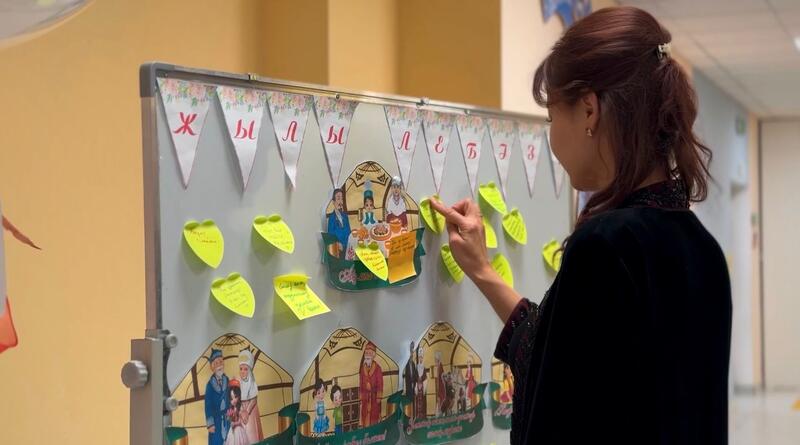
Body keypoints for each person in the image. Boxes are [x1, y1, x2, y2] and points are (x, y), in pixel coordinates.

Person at [428, 6, 731, 445]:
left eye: (552, 118)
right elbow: (558, 355)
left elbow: (559, 412)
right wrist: (483, 270)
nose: (552, 139)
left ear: (589, 110)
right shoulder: (701, 247)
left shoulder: (606, 246)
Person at [237, 349, 263, 444]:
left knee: (252, 435)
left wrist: (247, 412)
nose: (242, 372)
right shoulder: (237, 382)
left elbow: (254, 399)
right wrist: (241, 411)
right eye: (241, 369)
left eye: (245, 369)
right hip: (240, 411)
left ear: (249, 370)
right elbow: (236, 399)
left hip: (251, 411)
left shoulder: (252, 383)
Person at [204, 349, 230, 445]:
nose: (219, 365)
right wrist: (210, 424)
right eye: (216, 363)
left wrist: (232, 413)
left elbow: (231, 398)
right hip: (216, 421)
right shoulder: (210, 385)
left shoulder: (227, 380)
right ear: (212, 367)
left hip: (227, 419)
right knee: (216, 441)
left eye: (221, 362)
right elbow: (208, 405)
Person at [359, 341, 384, 427]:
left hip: (374, 399)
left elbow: (380, 384)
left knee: (374, 417)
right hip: (365, 399)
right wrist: (361, 397)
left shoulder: (378, 368)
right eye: (366, 353)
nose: (368, 355)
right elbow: (361, 383)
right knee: (365, 416)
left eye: (370, 353)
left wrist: (378, 397)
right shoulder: (362, 369)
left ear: (373, 355)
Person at [225, 380, 250, 445]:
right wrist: (229, 417)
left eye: (235, 397)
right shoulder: (231, 409)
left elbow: (242, 421)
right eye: (231, 399)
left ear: (239, 396)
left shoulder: (240, 409)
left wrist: (235, 423)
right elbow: (229, 419)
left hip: (238, 430)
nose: (234, 400)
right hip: (232, 430)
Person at [326, 188, 351, 253]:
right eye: (338, 198)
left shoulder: (345, 216)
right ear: (333, 202)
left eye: (342, 199)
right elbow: (331, 236)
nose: (340, 201)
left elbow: (349, 232)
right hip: (337, 250)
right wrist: (338, 244)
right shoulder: (332, 218)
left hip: (347, 248)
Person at [414, 345, 428, 420]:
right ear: (418, 358)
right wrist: (416, 387)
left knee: (423, 402)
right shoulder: (416, 367)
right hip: (418, 388)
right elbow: (415, 378)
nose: (420, 359)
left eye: (421, 358)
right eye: (419, 358)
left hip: (422, 388)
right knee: (417, 402)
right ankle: (418, 416)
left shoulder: (424, 368)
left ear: (423, 358)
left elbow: (425, 378)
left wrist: (424, 387)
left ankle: (423, 416)